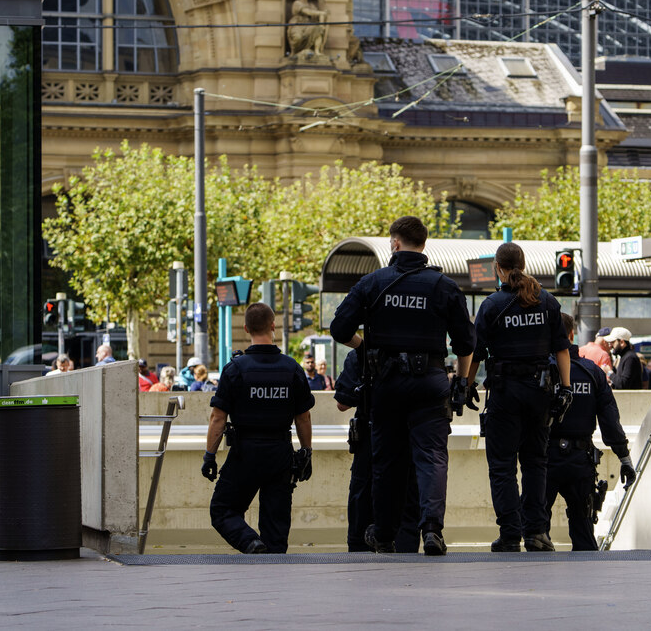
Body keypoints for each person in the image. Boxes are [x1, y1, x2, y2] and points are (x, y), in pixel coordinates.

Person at [329, 216, 475, 556]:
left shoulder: (373, 282)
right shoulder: (443, 286)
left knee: (387, 461)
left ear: (395, 243)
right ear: (423, 244)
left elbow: (339, 329)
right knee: (432, 457)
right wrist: (463, 382)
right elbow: (466, 344)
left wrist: (365, 347)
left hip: (387, 384)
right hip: (430, 383)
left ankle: (382, 534)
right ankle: (432, 531)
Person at [465, 242, 572, 553]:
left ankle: (511, 534)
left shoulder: (492, 305)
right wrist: (565, 389)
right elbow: (562, 349)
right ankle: (537, 533)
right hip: (541, 392)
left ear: (498, 268)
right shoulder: (547, 302)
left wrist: (467, 385)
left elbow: (475, 353)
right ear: (522, 264)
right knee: (536, 462)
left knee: (502, 465)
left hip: (504, 393)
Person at [201, 303, 315, 554]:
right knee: (276, 527)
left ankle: (251, 544)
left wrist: (210, 455)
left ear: (246, 328)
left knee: (223, 510)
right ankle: (272, 570)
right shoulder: (291, 368)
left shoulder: (235, 369)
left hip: (245, 452)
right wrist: (306, 452)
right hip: (280, 453)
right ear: (273, 326)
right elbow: (303, 418)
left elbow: (217, 418)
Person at [545, 313, 635, 551]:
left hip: (543, 460)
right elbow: (610, 422)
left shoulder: (541, 372)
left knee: (536, 532)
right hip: (580, 461)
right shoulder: (593, 373)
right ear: (572, 335)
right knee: (584, 533)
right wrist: (624, 458)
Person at [335, 348, 420, 553]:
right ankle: (405, 554)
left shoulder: (361, 355)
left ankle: (360, 552)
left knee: (363, 496)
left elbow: (342, 403)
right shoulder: (420, 353)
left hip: (371, 436)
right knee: (407, 500)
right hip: (409, 436)